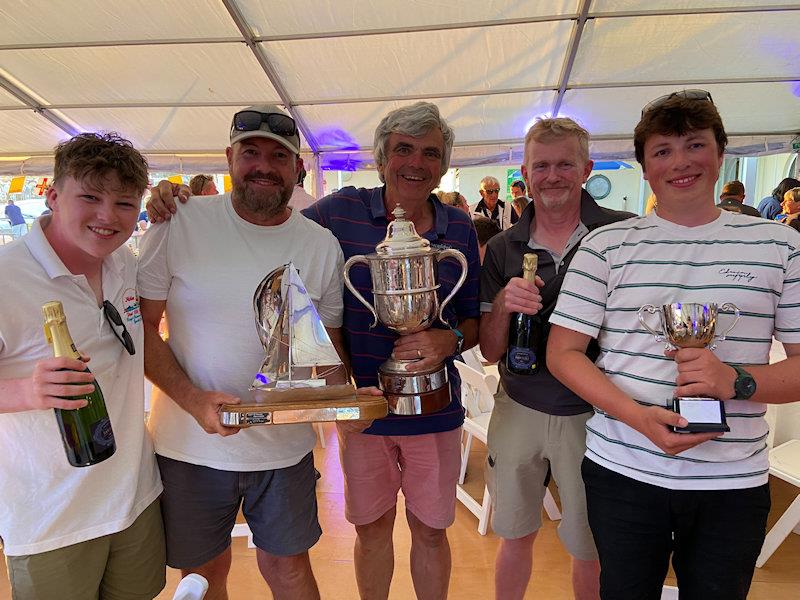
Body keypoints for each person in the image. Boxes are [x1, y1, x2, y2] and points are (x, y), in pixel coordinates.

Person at [547, 90, 800, 599]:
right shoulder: (604, 247)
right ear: (644, 168)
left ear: (720, 152)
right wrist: (637, 416)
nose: (680, 162)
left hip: (732, 479)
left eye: (694, 145)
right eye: (662, 150)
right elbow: (563, 352)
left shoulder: (780, 246)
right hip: (623, 471)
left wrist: (736, 380)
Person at [137, 104, 350, 600]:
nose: (263, 165)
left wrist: (347, 404)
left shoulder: (321, 244)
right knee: (204, 575)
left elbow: (329, 349)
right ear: (228, 158)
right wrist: (193, 401)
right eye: (250, 152)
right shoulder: (179, 221)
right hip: (189, 445)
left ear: (298, 168)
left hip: (283, 448)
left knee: (289, 569)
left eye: (279, 156)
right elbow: (142, 329)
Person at [303, 101, 481, 600]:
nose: (415, 163)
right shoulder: (339, 212)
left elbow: (471, 317)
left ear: (443, 166)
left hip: (435, 409)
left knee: (430, 531)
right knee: (372, 529)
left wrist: (451, 339)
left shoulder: (460, 227)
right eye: (403, 149)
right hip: (364, 411)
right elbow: (273, 224)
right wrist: (183, 205)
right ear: (381, 159)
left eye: (430, 153)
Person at [0, 132, 165, 599]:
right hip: (51, 518)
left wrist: (179, 199)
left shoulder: (124, 265)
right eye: (89, 197)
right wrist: (25, 392)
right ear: (52, 195)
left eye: (124, 203)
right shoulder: (6, 275)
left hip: (134, 499)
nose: (107, 217)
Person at [479, 117, 632, 600]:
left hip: (596, 413)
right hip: (519, 407)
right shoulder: (503, 247)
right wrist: (504, 302)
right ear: (525, 171)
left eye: (565, 164)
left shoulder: (622, 234)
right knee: (514, 532)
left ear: (585, 168)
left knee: (589, 546)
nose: (552, 176)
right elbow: (488, 349)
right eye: (541, 165)